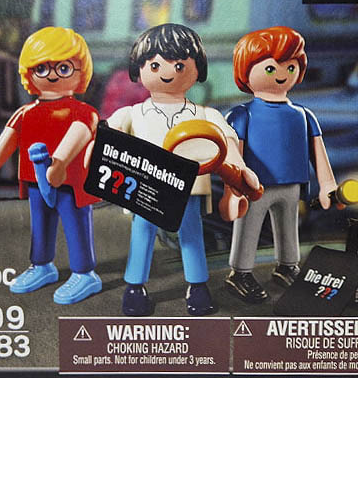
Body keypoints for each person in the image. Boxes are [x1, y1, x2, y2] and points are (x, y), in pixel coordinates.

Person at [107, 23, 258, 316]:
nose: (168, 73)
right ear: (139, 69)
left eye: (179, 65)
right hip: (145, 187)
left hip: (188, 187)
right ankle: (135, 288)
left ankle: (198, 287)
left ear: (197, 69)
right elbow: (107, 138)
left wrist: (239, 171)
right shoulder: (133, 114)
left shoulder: (205, 114)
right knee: (142, 233)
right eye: (155, 65)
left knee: (191, 233)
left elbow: (227, 141)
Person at [0, 26, 102, 304]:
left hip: (70, 181)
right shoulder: (26, 113)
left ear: (81, 71)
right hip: (35, 179)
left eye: (64, 68)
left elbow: (80, 132)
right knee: (40, 223)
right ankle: (42, 265)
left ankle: (84, 273)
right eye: (42, 68)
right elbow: (6, 141)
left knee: (75, 223)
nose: (52, 75)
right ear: (28, 73)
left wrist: (60, 162)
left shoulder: (83, 112)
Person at [224, 26, 339, 303]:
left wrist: (327, 185)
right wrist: (234, 189)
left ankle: (288, 266)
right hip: (255, 186)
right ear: (245, 71)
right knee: (248, 228)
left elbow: (317, 151)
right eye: (270, 68)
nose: (281, 74)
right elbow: (233, 154)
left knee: (289, 226)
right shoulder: (241, 115)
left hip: (292, 185)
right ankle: (240, 272)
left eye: (290, 67)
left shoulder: (303, 114)